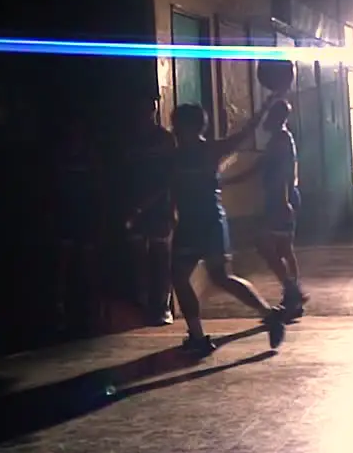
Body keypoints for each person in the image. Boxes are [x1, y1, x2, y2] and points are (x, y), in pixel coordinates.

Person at [133, 102, 288, 356]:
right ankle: (206, 333)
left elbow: (245, 133)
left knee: (216, 277)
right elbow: (168, 187)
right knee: (191, 277)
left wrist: (268, 103)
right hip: (196, 223)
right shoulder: (179, 154)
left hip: (206, 222)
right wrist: (149, 210)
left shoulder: (209, 150)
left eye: (178, 124)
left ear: (190, 126)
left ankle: (256, 319)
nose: (175, 128)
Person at [224, 99, 307, 320]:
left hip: (280, 200)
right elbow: (259, 168)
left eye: (269, 116)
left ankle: (293, 292)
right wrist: (231, 179)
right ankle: (292, 295)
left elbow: (283, 175)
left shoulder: (280, 140)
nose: (265, 120)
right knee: (282, 250)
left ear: (277, 118)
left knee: (268, 247)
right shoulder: (278, 140)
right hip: (280, 199)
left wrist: (284, 201)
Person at [123, 93, 178, 326]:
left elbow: (172, 176)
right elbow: (124, 175)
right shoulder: (130, 140)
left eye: (151, 109)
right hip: (135, 206)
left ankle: (163, 305)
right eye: (143, 109)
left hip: (159, 206)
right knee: (139, 256)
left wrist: (173, 206)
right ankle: (144, 302)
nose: (147, 114)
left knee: (161, 256)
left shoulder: (165, 139)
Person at [49, 114, 105, 335]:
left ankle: (92, 309)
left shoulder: (90, 155)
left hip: (86, 215)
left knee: (87, 263)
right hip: (66, 214)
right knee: (63, 264)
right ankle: (60, 309)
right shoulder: (60, 155)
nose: (75, 134)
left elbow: (99, 187)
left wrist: (100, 217)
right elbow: (52, 186)